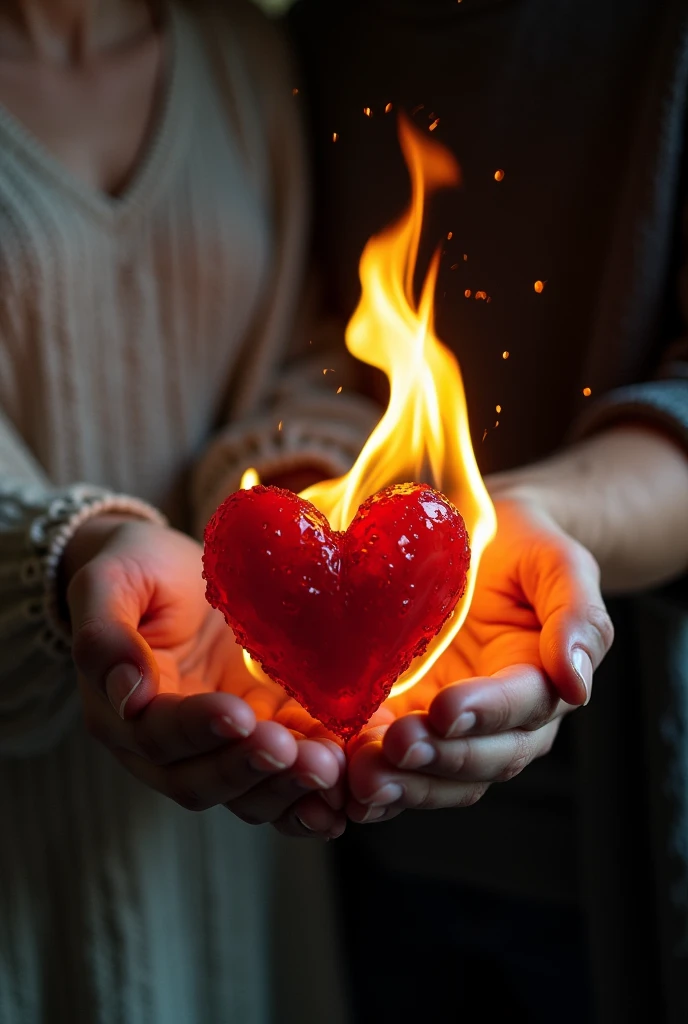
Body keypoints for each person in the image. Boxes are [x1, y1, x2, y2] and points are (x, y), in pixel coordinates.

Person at [286, 0, 688, 1020]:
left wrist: (527, 518)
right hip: (336, 847)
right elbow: (303, 351)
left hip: (631, 828)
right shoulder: (317, 38)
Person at [0, 0, 371, 1019]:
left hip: (241, 778)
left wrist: (293, 539)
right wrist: (85, 551)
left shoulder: (249, 57)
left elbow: (309, 359)